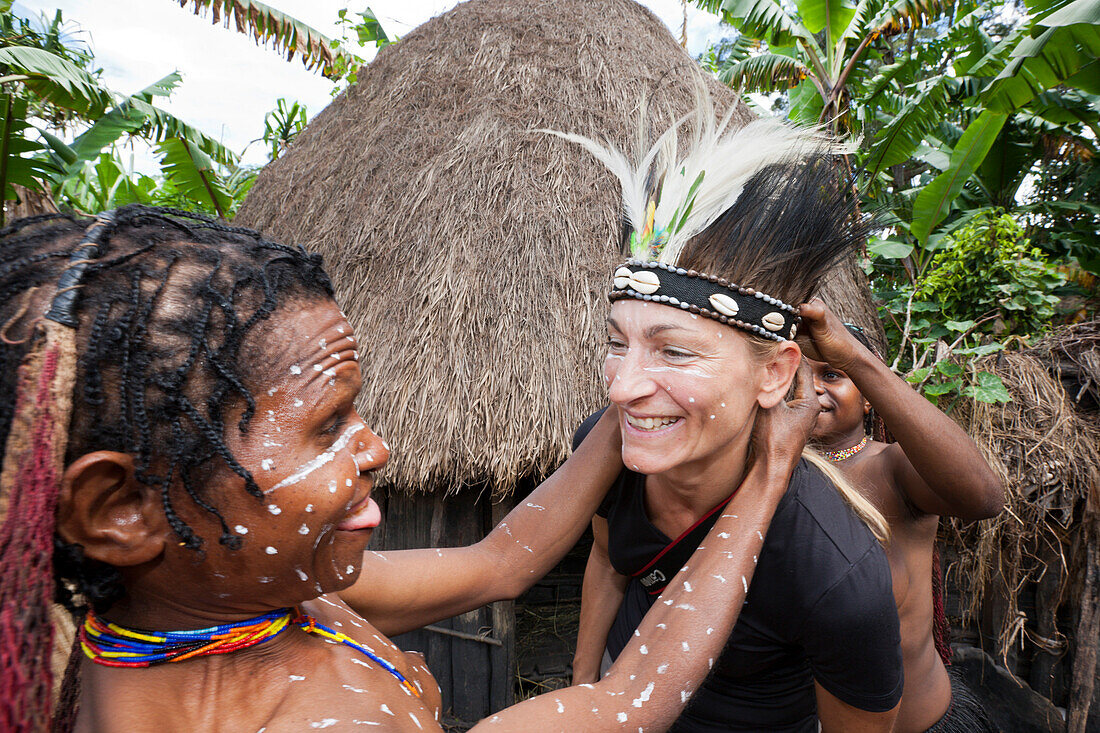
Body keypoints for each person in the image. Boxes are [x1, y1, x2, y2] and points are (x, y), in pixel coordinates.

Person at [0, 205, 818, 733]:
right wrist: (769, 475)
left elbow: (501, 561)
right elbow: (625, 698)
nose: (376, 448)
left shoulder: (247, 602)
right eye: (326, 425)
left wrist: (628, 394)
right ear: (117, 510)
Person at [559, 93, 905, 731]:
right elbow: (608, 563)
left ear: (774, 373)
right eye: (616, 343)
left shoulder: (834, 571)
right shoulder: (611, 448)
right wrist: (582, 688)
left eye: (677, 352)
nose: (622, 389)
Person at [800, 301, 1003, 733]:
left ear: (869, 400)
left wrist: (856, 358)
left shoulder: (892, 467)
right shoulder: (758, 477)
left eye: (832, 375)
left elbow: (982, 497)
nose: (811, 389)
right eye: (796, 375)